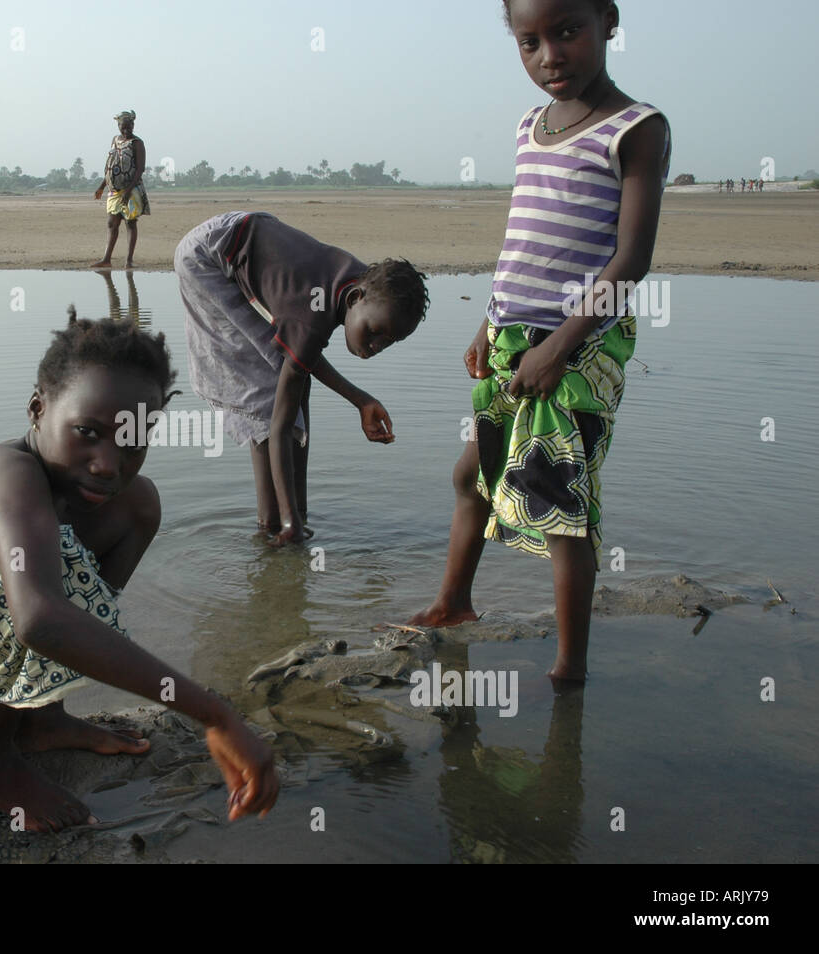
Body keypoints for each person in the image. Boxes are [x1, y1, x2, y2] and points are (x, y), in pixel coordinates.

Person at [0, 316, 278, 831]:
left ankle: (40, 716)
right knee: (23, 571)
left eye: (132, 441)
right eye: (87, 432)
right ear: (38, 408)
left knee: (137, 505)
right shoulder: (9, 474)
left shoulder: (82, 487)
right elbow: (39, 620)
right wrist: (215, 713)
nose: (109, 463)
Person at [408, 0, 670, 684]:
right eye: (529, 42)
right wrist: (489, 323)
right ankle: (454, 604)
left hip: (578, 343)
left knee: (557, 501)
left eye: (566, 32)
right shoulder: (531, 126)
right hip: (511, 337)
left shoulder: (636, 128)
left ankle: (569, 665)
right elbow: (522, 240)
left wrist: (558, 348)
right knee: (472, 474)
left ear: (607, 21)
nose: (549, 55)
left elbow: (631, 259)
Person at [175, 211, 429, 545]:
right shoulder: (313, 311)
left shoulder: (361, 285)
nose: (376, 345)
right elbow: (280, 423)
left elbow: (301, 358)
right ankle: (275, 520)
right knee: (267, 392)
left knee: (291, 374)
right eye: (375, 332)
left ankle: (293, 513)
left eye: (389, 341)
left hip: (247, 236)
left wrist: (361, 400)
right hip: (208, 257)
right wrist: (290, 520)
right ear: (355, 299)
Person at [91, 110, 147, 269]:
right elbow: (111, 165)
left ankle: (129, 260)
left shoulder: (137, 143)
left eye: (129, 127)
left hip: (132, 188)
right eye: (123, 127)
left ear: (133, 126)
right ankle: (106, 258)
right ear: (118, 126)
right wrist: (102, 186)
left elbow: (140, 169)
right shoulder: (115, 140)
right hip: (114, 190)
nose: (126, 130)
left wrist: (129, 190)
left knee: (130, 223)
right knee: (112, 223)